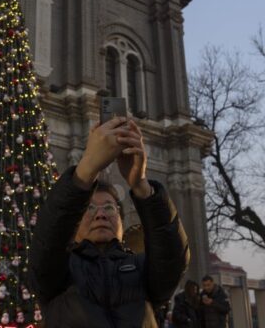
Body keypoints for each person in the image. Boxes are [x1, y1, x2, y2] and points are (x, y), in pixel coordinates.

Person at [28, 117, 189, 328]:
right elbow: (48, 243)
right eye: (90, 209)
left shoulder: (141, 269)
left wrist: (141, 185)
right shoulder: (61, 270)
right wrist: (86, 169)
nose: (101, 215)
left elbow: (172, 259)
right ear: (74, 226)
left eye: (109, 208)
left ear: (121, 223)